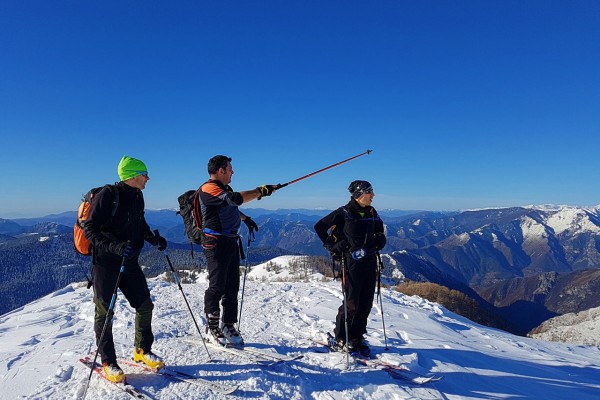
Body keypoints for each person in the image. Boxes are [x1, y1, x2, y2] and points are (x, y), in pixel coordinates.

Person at [84, 155, 168, 383]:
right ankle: (108, 361)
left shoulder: (137, 196)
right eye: (144, 174)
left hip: (129, 262)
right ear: (132, 176)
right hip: (106, 264)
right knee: (105, 313)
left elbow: (139, 223)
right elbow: (89, 229)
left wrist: (153, 239)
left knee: (144, 305)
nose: (148, 178)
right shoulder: (108, 195)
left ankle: (141, 350)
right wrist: (114, 246)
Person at [199, 155, 277, 346]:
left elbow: (229, 206)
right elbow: (235, 199)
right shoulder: (209, 188)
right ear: (221, 170)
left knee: (232, 285)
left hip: (230, 241)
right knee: (217, 285)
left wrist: (245, 219)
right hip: (216, 243)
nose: (233, 172)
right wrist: (260, 191)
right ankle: (212, 326)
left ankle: (228, 324)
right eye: (230, 168)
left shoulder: (223, 189)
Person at [314, 180, 386, 357]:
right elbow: (320, 227)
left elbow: (380, 232)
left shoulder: (372, 212)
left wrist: (379, 242)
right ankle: (341, 338)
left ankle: (357, 336)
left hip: (369, 260)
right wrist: (334, 245)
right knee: (352, 302)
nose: (373, 195)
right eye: (370, 192)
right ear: (359, 194)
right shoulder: (344, 213)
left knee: (366, 301)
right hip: (351, 262)